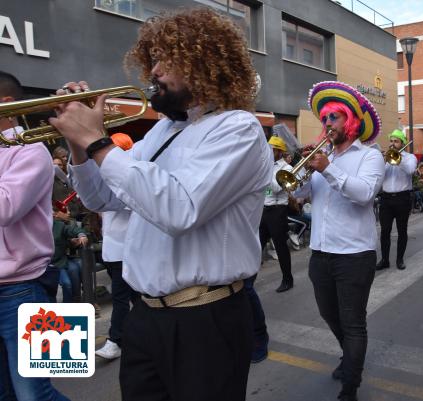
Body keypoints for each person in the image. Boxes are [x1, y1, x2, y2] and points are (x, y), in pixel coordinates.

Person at [52, 8, 272, 401]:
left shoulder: (239, 128)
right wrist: (78, 144)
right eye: (152, 59)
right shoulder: (162, 131)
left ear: (204, 64)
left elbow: (179, 210)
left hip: (205, 318)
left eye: (168, 59)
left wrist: (98, 142)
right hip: (146, 316)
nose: (154, 71)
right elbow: (100, 197)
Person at [295, 81, 384, 401]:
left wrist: (328, 169)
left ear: (351, 121)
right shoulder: (322, 158)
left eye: (335, 117)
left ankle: (351, 386)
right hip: (320, 253)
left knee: (353, 322)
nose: (328, 123)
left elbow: (363, 195)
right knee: (329, 314)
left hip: (354, 254)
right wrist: (300, 173)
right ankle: (348, 356)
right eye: (325, 119)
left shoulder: (370, 157)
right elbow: (298, 195)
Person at [0, 71, 70, 400]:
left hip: (27, 288)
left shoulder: (32, 150)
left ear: (6, 104)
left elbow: (5, 208)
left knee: (36, 395)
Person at [94, 133, 140, 360]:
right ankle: (145, 335)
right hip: (112, 250)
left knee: (121, 298)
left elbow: (123, 204)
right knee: (136, 299)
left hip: (126, 250)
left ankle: (115, 340)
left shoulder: (128, 179)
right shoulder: (105, 179)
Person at [377, 129, 417, 271]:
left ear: (402, 143)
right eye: (391, 141)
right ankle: (385, 259)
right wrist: (382, 161)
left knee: (402, 230)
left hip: (402, 198)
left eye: (396, 141)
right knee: (385, 231)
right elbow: (378, 175)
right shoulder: (385, 157)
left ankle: (400, 259)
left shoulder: (410, 157)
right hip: (386, 198)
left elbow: (411, 170)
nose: (393, 144)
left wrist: (397, 160)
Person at [260, 135, 294, 292]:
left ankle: (288, 279)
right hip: (265, 210)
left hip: (278, 211)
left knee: (280, 247)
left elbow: (275, 188)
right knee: (257, 246)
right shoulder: (266, 165)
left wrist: (265, 170)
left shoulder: (286, 169)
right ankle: (248, 281)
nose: (268, 151)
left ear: (279, 152)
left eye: (271, 149)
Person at [51, 207, 88, 302]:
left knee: (74, 271)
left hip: (59, 262)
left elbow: (74, 230)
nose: (68, 213)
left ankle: (76, 302)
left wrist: (81, 235)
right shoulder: (34, 227)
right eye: (64, 211)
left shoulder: (59, 225)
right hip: (41, 265)